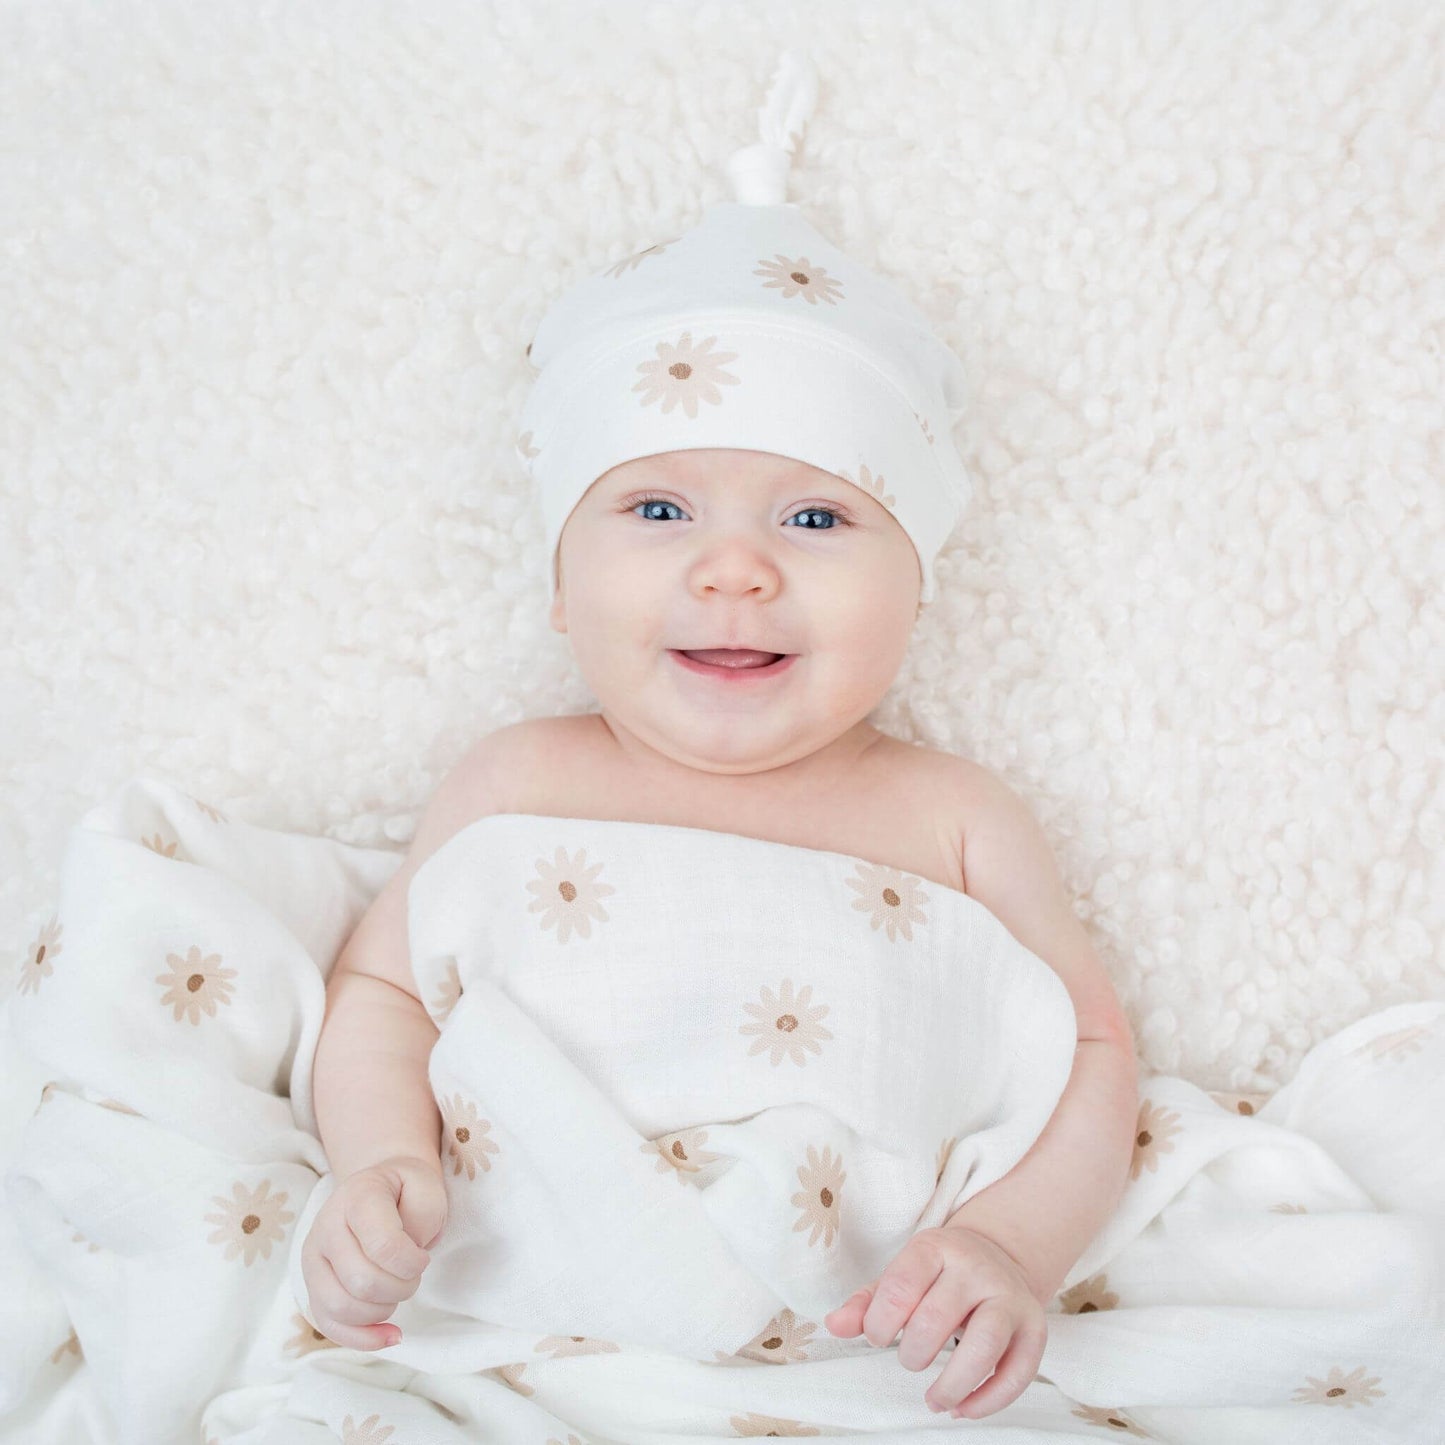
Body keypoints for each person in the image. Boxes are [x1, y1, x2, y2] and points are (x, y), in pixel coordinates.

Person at [300, 51, 1140, 1424]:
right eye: (657, 511)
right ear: (559, 586)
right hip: (525, 1318)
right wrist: (379, 1163)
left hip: (856, 1348)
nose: (736, 569)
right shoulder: (518, 783)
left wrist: (1009, 1244)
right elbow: (382, 996)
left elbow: (1092, 1055)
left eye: (815, 518)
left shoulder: (953, 818)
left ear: (917, 589)